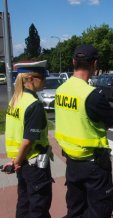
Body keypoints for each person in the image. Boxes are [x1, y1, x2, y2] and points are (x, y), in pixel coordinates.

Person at [55, 44, 113, 218]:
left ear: (73, 61)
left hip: (71, 163)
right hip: (94, 165)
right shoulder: (92, 95)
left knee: (75, 209)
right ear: (95, 64)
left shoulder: (60, 90)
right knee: (99, 211)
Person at [2, 60, 53, 218]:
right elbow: (28, 140)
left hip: (22, 162)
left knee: (24, 201)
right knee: (39, 205)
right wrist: (16, 162)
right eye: (42, 77)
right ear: (31, 79)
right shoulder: (34, 104)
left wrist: (15, 161)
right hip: (34, 162)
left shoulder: (16, 99)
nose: (45, 81)